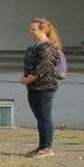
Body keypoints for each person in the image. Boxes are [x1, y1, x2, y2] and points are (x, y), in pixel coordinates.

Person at [21, 18, 62, 158]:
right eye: (30, 29)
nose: (31, 32)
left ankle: (47, 148)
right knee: (40, 117)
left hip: (44, 86)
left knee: (44, 117)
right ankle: (41, 146)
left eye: (34, 29)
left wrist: (28, 79)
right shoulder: (36, 46)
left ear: (43, 30)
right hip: (34, 87)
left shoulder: (47, 47)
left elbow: (43, 67)